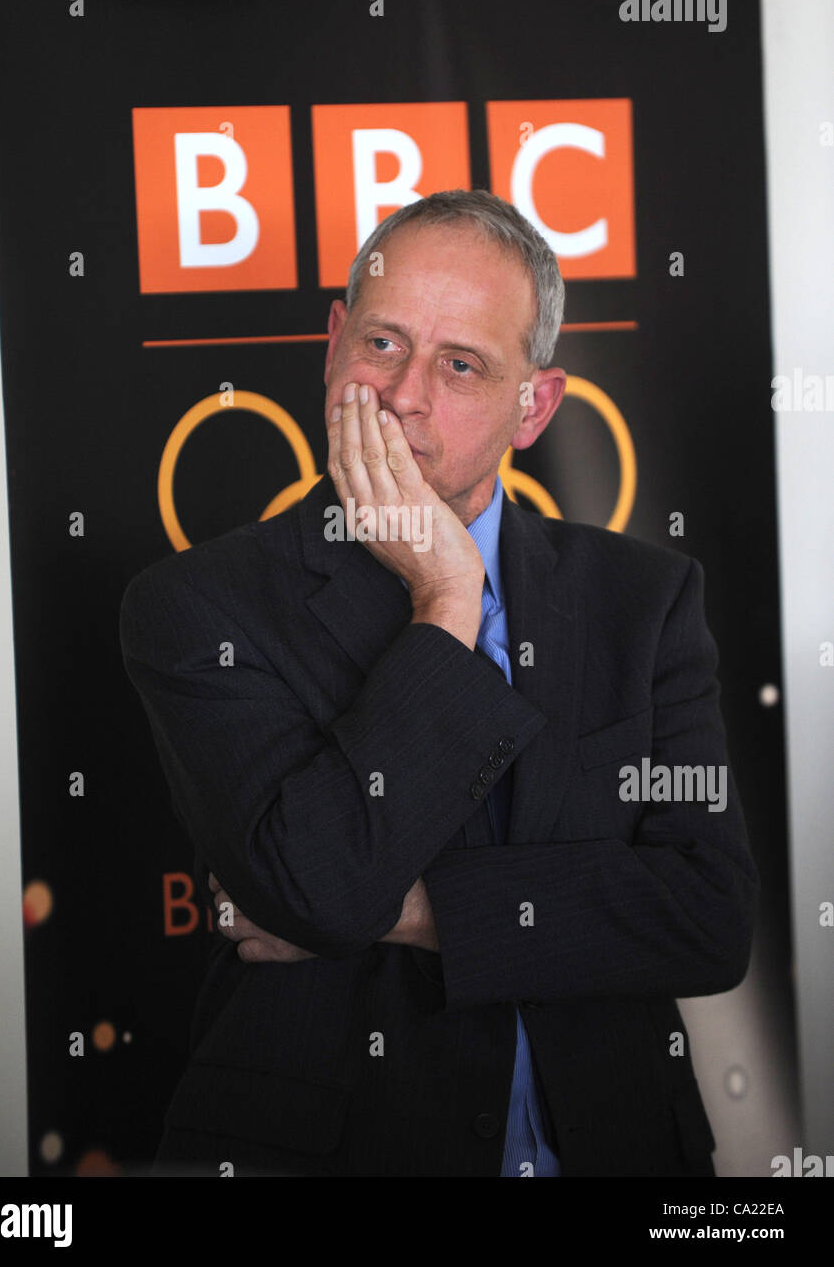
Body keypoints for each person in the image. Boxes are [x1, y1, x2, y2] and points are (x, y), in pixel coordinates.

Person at [119, 188, 758, 1177]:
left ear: (533, 406)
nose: (404, 394)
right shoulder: (200, 606)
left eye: (461, 365)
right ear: (332, 344)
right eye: (381, 344)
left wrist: (410, 908)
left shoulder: (646, 599)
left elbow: (707, 915)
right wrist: (448, 597)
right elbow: (319, 884)